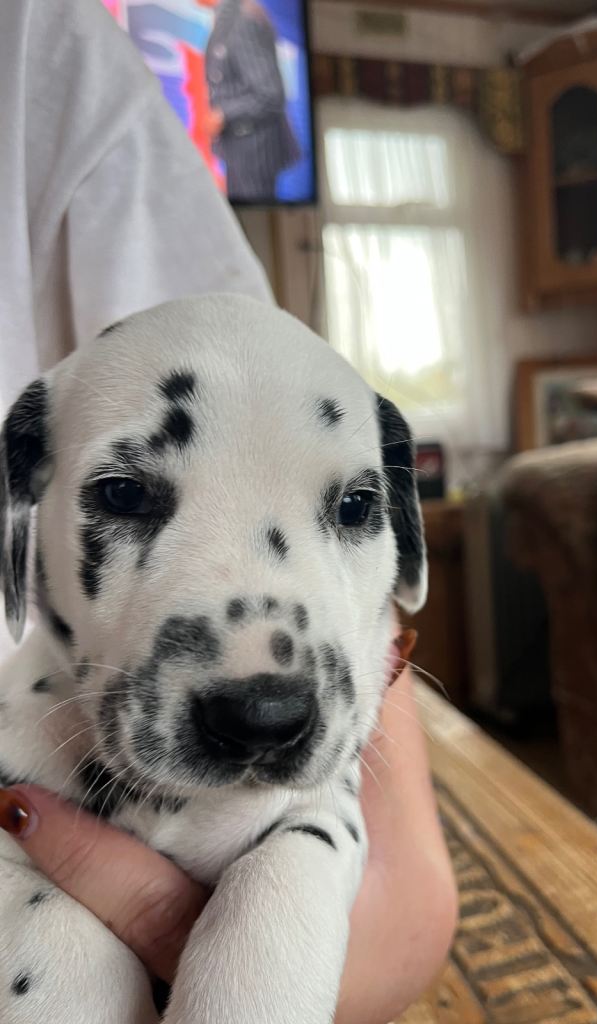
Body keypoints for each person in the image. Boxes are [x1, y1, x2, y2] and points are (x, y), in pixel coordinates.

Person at [0, 1, 457, 1021]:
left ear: (402, 537)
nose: (263, 688)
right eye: (125, 498)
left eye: (350, 506)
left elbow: (371, 870)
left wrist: (340, 882)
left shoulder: (44, 45)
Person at [205, 0, 301, 202]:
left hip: (254, 153)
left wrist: (223, 114)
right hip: (240, 150)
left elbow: (269, 94)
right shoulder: (227, 17)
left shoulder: (242, 21)